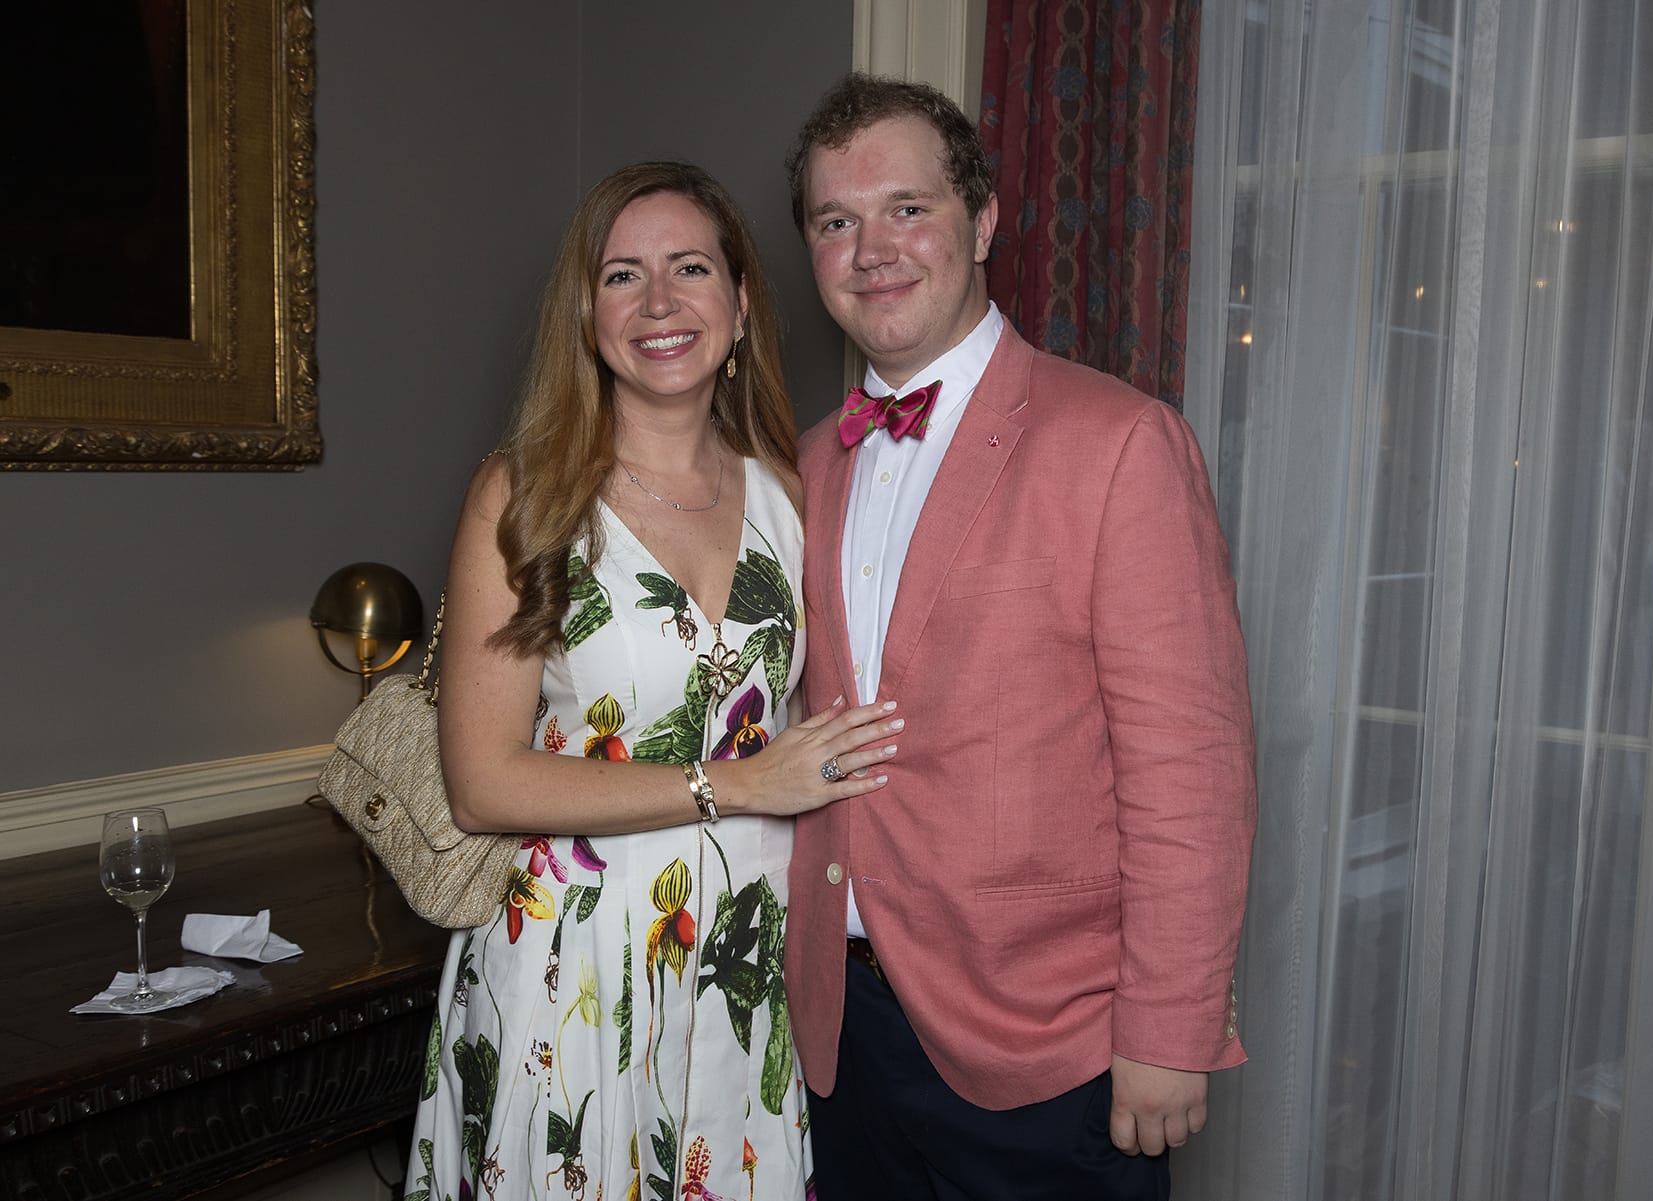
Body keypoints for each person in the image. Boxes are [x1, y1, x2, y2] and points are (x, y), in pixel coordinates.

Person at [781, 75, 1258, 1200]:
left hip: (1050, 1049)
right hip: (838, 1042)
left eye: (908, 209)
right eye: (837, 222)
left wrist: (1172, 1027)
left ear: (984, 220)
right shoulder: (801, 466)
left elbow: (1191, 772)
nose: (872, 250)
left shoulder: (1121, 442)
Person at [408, 161, 903, 1201]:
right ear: (586, 317)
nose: (660, 303)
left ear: (740, 302)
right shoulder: (526, 496)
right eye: (623, 276)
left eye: (690, 268)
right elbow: (482, 784)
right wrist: (740, 782)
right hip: (574, 967)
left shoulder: (792, 494)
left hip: (744, 967)